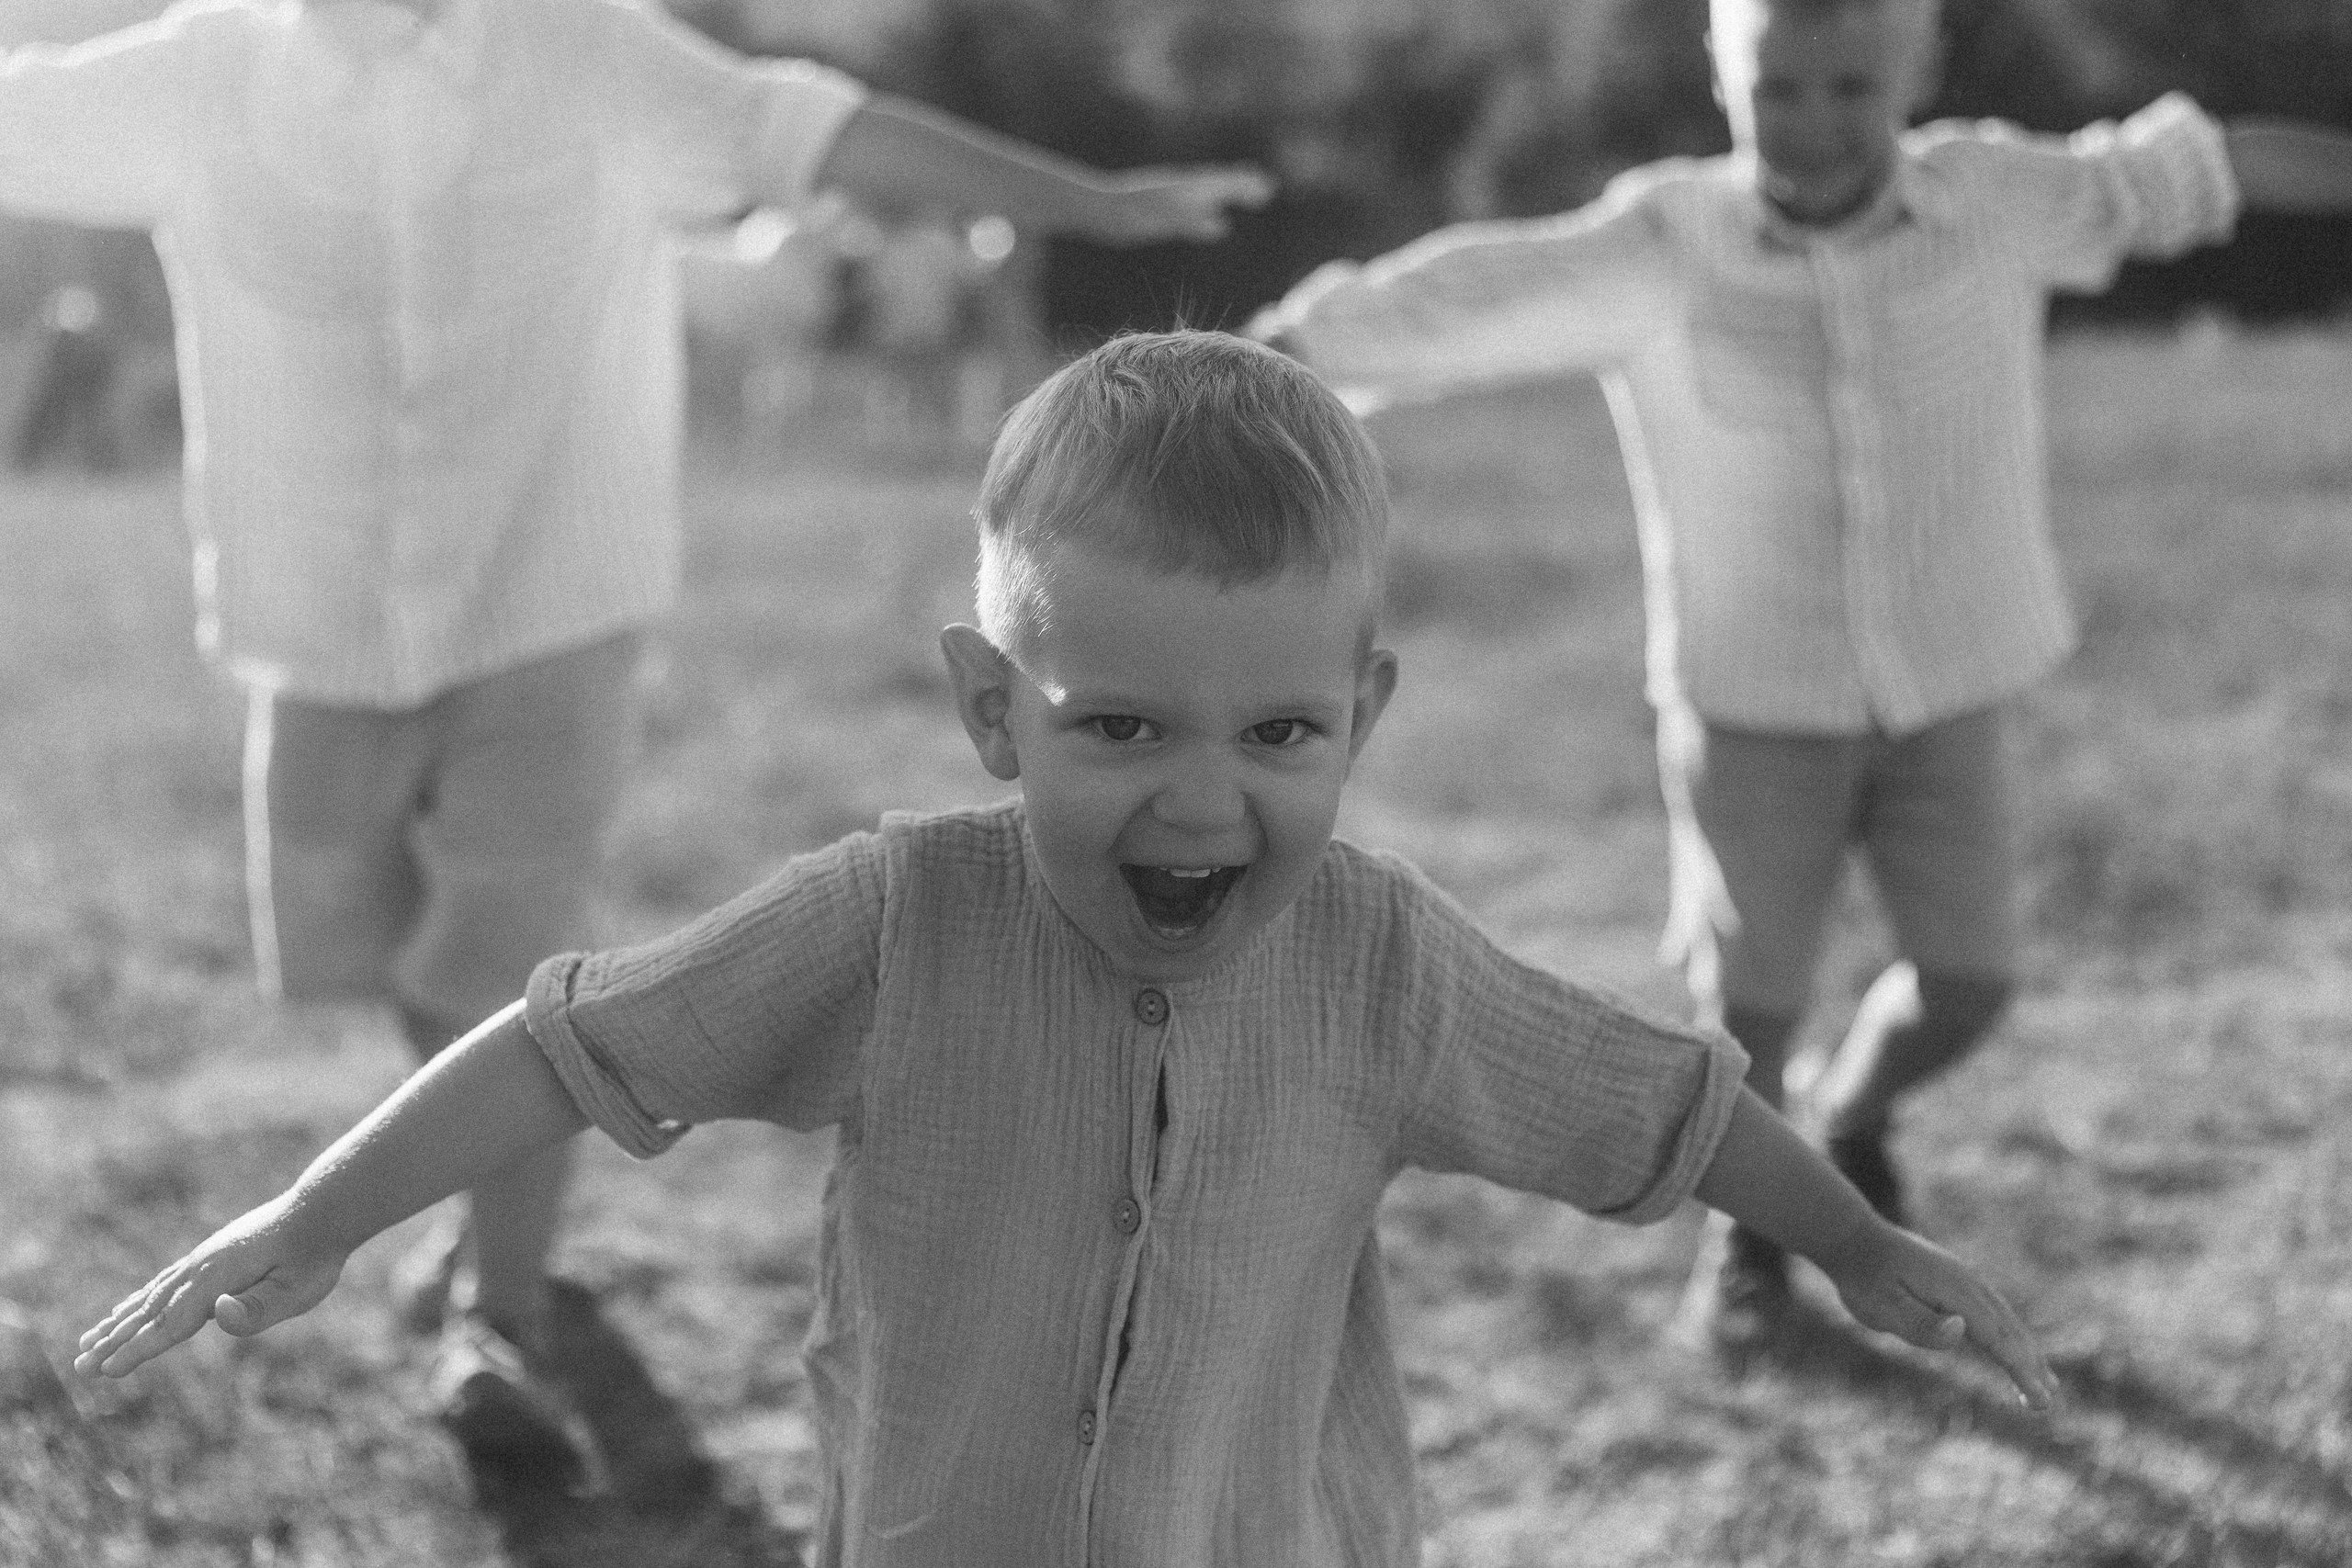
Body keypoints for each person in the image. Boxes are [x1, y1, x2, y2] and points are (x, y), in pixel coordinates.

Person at [77, 330, 2059, 1566]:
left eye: (1277, 732)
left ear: (1360, 711)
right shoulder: (888, 918)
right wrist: (318, 1214)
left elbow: (1662, 1099)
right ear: (988, 711)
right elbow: (568, 1050)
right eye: (1117, 723)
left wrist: (1855, 1240)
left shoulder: (1380, 961)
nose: (1203, 797)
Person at [0, 0, 1269, 1479]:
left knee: (495, 951)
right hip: (315, 620)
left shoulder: (582, 50)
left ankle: (504, 1316)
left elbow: (816, 128)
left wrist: (1091, 199)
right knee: (389, 962)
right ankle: (485, 1192)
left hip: (553, 591)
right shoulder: (204, 73)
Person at [1247, 0, 2352, 1331]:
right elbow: (1465, 294)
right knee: (1748, 1007)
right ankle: (1751, 1252)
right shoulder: (1666, 243)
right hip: (1752, 699)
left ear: (1917, 75)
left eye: (1852, 91)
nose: (1815, 127)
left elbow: (2201, 166)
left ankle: (1849, 1111)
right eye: (1779, 92)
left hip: (1951, 680)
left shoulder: (1996, 199)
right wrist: (1267, 354)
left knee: (1971, 984)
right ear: (1725, 78)